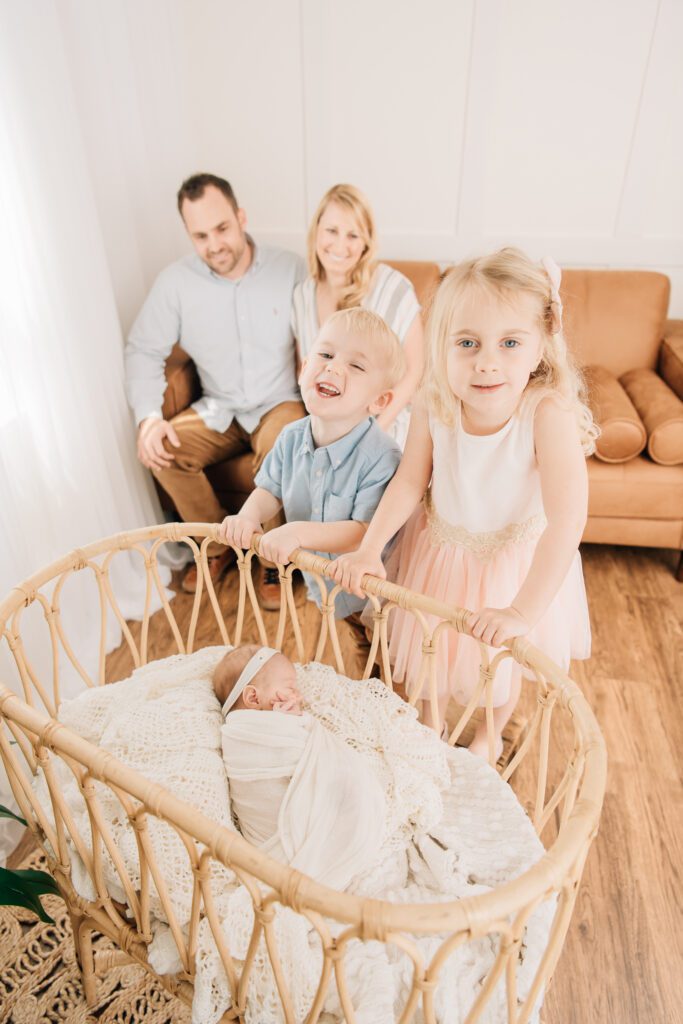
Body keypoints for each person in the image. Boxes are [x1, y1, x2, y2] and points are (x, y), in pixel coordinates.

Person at [330, 248, 597, 758]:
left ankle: (490, 732)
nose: (487, 362)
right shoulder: (435, 401)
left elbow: (568, 519)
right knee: (430, 646)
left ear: (541, 345)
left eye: (510, 342)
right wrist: (369, 548)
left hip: (514, 562)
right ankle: (429, 723)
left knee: (498, 658)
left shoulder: (546, 412)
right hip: (440, 552)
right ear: (441, 347)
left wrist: (522, 609)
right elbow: (410, 482)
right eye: (467, 343)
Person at [124, 173, 306, 602]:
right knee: (161, 449)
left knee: (282, 441)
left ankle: (272, 561)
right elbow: (142, 350)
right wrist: (150, 419)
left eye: (222, 228)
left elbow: (320, 339)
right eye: (200, 235)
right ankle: (218, 546)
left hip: (278, 402)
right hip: (219, 408)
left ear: (241, 217)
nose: (215, 244)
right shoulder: (175, 283)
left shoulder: (290, 268)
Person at [218, 307, 404, 640]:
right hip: (326, 584)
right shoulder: (291, 436)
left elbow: (362, 532)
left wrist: (297, 533)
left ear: (379, 401)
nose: (333, 366)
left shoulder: (382, 457)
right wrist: (248, 517)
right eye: (326, 354)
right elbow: (270, 490)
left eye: (356, 365)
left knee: (381, 653)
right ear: (304, 369)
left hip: (375, 592)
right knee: (355, 643)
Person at [216, 644, 386, 890]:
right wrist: (292, 723)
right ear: (253, 697)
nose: (299, 697)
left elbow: (313, 758)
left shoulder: (265, 724)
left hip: (279, 844)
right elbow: (293, 755)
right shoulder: (240, 735)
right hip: (279, 843)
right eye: (290, 688)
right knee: (353, 796)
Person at [292, 184, 424, 449]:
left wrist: (374, 431)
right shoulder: (302, 295)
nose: (341, 245)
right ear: (316, 230)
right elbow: (304, 371)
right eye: (332, 231)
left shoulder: (392, 287)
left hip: (385, 422)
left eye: (353, 235)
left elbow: (414, 371)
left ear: (366, 242)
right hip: (326, 429)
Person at [213, 643, 303, 716]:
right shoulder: (241, 728)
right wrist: (281, 721)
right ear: (254, 698)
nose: (299, 695)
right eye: (290, 688)